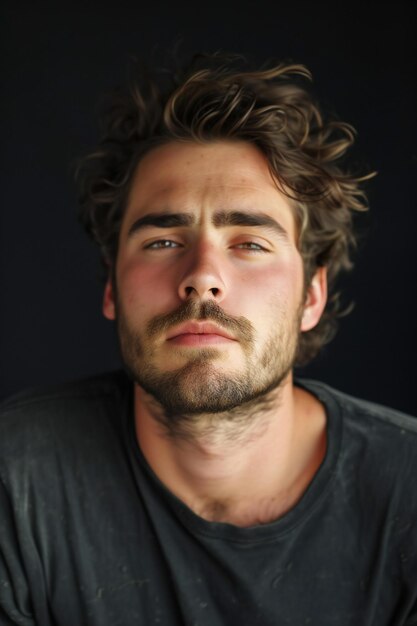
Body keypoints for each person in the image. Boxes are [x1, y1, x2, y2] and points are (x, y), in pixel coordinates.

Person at [1, 52, 416, 626]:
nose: (202, 276)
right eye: (163, 242)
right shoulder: (16, 476)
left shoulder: (407, 494)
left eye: (249, 242)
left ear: (311, 296)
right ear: (112, 289)